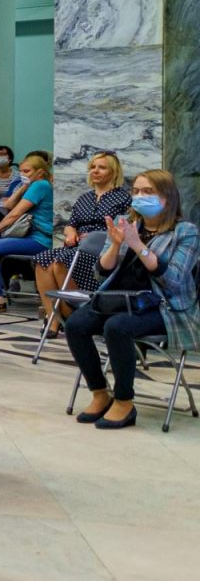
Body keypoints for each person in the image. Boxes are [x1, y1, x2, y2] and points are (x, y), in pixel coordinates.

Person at [64, 169, 199, 429]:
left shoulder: (185, 232)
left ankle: (124, 401)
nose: (139, 196)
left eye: (148, 191)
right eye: (136, 191)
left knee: (117, 327)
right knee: (76, 324)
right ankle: (100, 393)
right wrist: (115, 244)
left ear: (167, 197)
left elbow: (174, 280)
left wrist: (138, 245)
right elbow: (101, 272)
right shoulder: (125, 222)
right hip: (118, 298)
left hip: (163, 304)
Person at [33, 152, 131, 332]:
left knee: (60, 262)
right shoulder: (85, 197)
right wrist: (70, 232)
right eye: (93, 167)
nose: (95, 171)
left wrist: (96, 235)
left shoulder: (123, 198)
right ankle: (53, 318)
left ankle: (72, 314)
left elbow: (124, 228)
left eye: (102, 167)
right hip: (78, 247)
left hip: (103, 251)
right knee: (42, 259)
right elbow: (71, 224)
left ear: (113, 172)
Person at [0, 153, 55, 310]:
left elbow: (14, 214)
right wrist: (25, 185)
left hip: (40, 239)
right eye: (21, 171)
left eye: (27, 171)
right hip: (32, 237)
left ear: (40, 172)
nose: (23, 174)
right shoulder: (35, 185)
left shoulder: (40, 185)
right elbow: (9, 205)